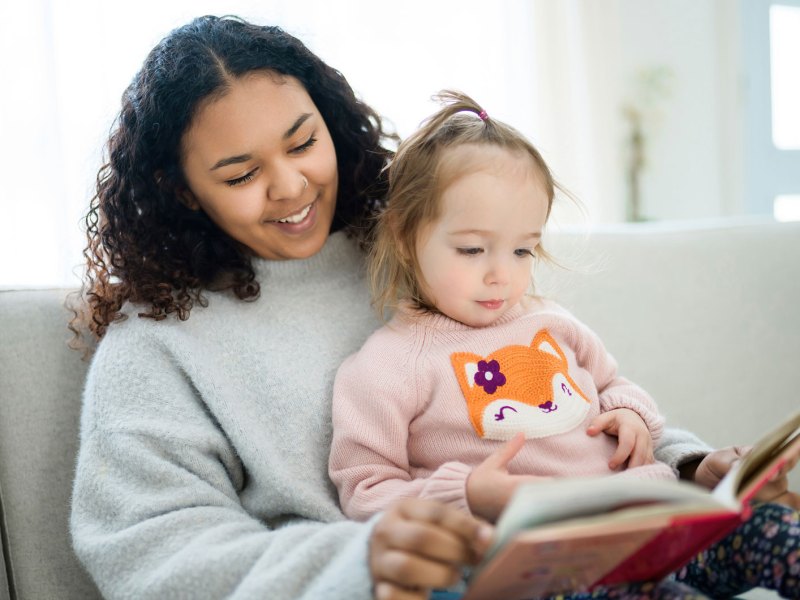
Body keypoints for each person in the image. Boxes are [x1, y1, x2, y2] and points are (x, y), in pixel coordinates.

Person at [67, 14, 797, 600]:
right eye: (242, 173)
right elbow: (150, 551)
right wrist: (364, 560)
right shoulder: (157, 344)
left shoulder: (423, 245)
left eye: (303, 142)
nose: (290, 187)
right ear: (180, 189)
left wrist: (691, 462)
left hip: (597, 529)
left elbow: (565, 396)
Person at [328, 90, 800, 598]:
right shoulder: (386, 365)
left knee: (776, 533)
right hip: (551, 564)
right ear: (402, 235)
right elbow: (365, 490)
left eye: (522, 249)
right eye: (471, 249)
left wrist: (630, 415)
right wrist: (464, 493)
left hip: (653, 522)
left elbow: (613, 383)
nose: (501, 275)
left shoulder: (550, 321)